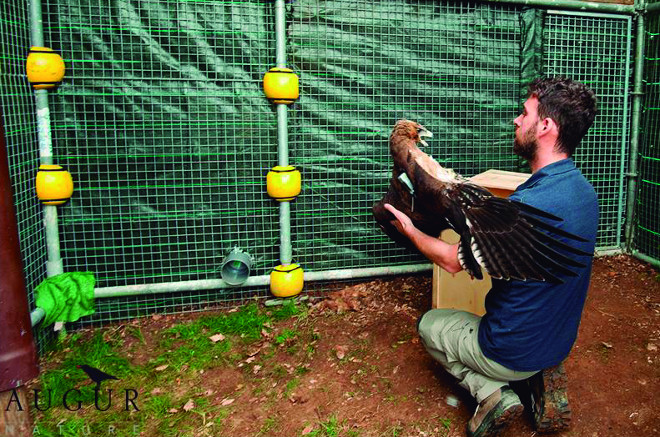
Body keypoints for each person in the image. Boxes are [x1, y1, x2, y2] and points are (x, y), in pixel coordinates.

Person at [384, 77, 598, 437]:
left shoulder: (529, 208)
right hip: (558, 340)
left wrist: (411, 231)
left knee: (431, 326)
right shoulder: (586, 194)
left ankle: (493, 393)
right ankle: (540, 378)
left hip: (509, 348)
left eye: (525, 113)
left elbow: (453, 261)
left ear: (545, 126)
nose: (516, 120)